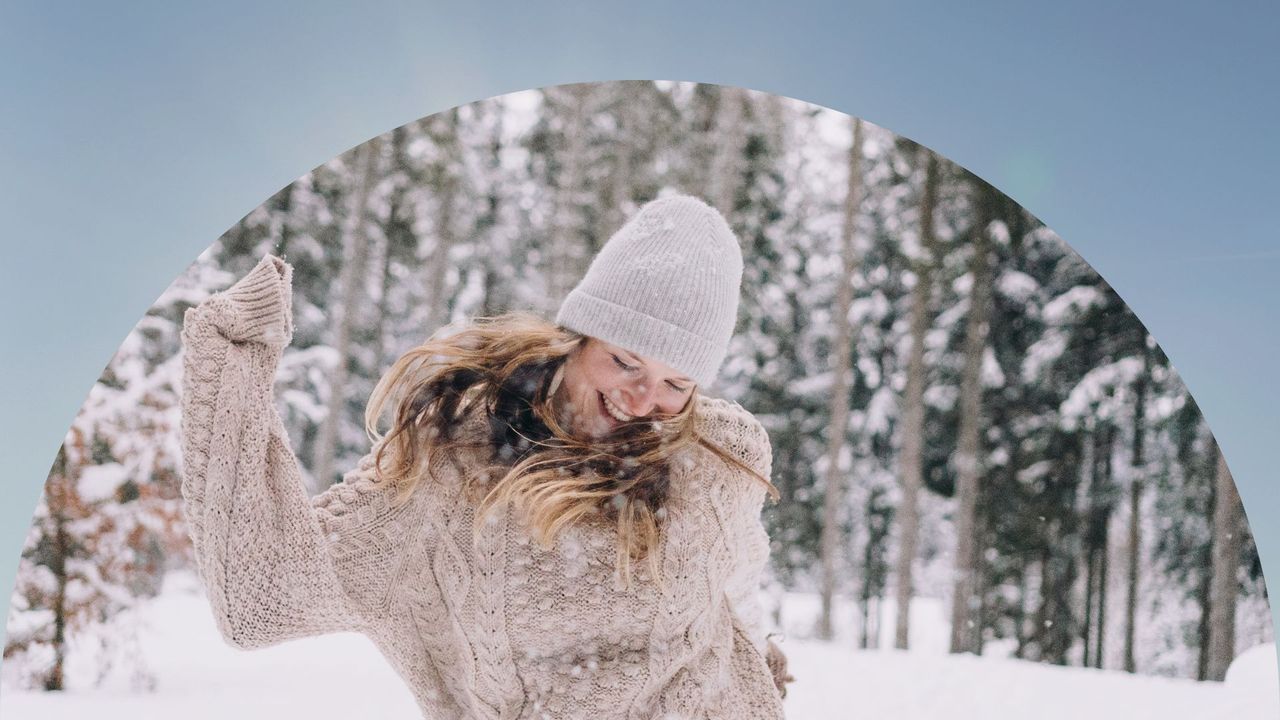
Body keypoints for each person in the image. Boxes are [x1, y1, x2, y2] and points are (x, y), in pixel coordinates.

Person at [180, 194, 793, 719]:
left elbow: (735, 579)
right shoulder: (456, 459)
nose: (641, 400)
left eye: (675, 383)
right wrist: (234, 367)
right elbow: (266, 597)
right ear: (578, 337)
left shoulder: (721, 452)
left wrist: (761, 659)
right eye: (625, 362)